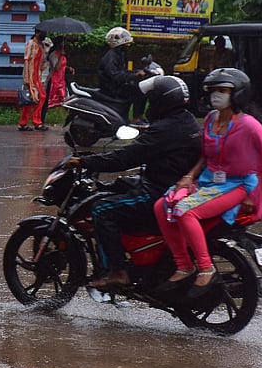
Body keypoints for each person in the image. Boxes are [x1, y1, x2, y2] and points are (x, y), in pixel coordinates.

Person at [152, 68, 262, 297]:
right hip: (207, 182)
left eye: (223, 90)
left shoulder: (249, 125)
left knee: (185, 211)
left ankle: (206, 268)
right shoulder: (211, 119)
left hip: (238, 185)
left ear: (237, 94)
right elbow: (206, 156)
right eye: (213, 90)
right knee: (161, 205)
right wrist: (189, 177)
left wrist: (258, 195)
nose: (216, 95)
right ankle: (184, 264)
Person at [63, 76, 201, 288]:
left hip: (158, 191)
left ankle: (117, 271)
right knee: (121, 187)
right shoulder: (186, 120)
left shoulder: (164, 129)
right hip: (175, 186)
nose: (148, 105)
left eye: (151, 100)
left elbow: (126, 158)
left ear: (161, 101)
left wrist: (85, 161)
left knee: (102, 209)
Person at [98, 27, 147, 126]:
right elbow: (116, 75)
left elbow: (122, 71)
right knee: (138, 91)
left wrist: (136, 72)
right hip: (111, 88)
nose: (127, 46)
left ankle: (139, 117)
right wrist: (135, 75)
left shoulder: (118, 54)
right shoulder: (111, 56)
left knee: (141, 88)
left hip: (115, 85)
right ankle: (136, 119)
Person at [18, 27, 48, 131]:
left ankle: (31, 121)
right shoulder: (31, 44)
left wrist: (46, 51)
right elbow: (26, 60)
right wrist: (26, 77)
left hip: (37, 75)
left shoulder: (41, 46)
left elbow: (43, 64)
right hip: (30, 75)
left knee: (40, 97)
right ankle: (32, 122)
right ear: (37, 33)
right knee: (30, 99)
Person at [46, 36, 73, 109]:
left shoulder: (63, 54)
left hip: (61, 79)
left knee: (63, 97)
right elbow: (57, 68)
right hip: (54, 80)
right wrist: (61, 56)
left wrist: (68, 68)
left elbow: (63, 65)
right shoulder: (54, 55)